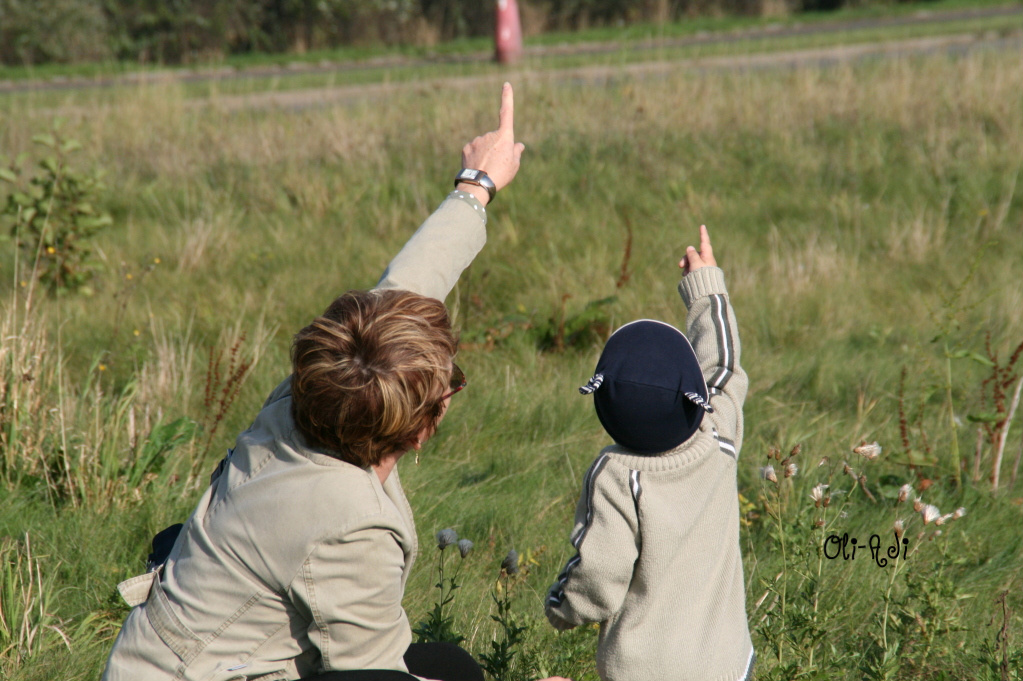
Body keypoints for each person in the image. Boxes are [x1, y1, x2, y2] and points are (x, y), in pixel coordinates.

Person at [102, 83, 566, 681]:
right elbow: (372, 675)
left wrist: (476, 186)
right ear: (421, 431)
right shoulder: (349, 523)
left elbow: (405, 289)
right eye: (451, 381)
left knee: (444, 664)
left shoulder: (313, 392)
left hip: (159, 658)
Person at [544, 225, 755, 681]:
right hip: (727, 664)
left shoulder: (618, 475)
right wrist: (707, 286)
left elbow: (600, 576)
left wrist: (561, 605)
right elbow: (724, 364)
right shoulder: (719, 435)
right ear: (693, 393)